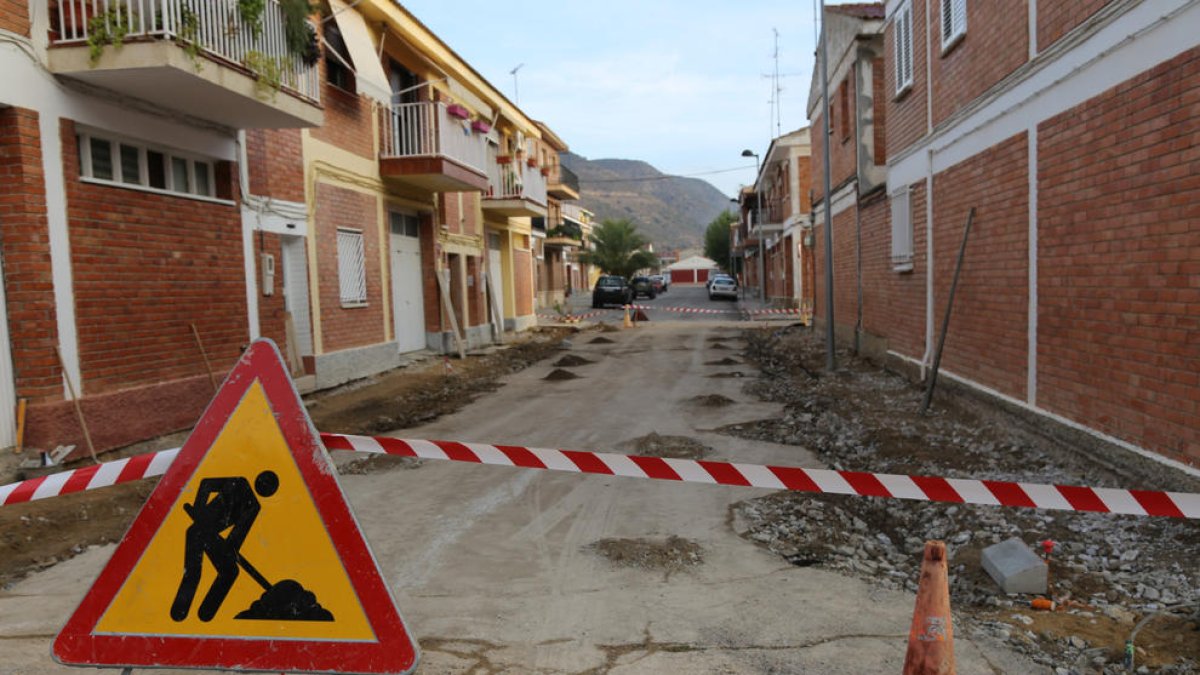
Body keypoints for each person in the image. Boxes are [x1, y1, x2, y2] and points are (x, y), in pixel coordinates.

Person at [170, 471, 279, 622]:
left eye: (269, 486)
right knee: (194, 573)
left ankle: (205, 614)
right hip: (196, 532)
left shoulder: (253, 506)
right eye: (265, 483)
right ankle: (179, 612)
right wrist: (199, 509)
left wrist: (230, 549)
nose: (265, 487)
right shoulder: (239, 483)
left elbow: (236, 538)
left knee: (230, 571)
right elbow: (206, 484)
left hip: (210, 535)